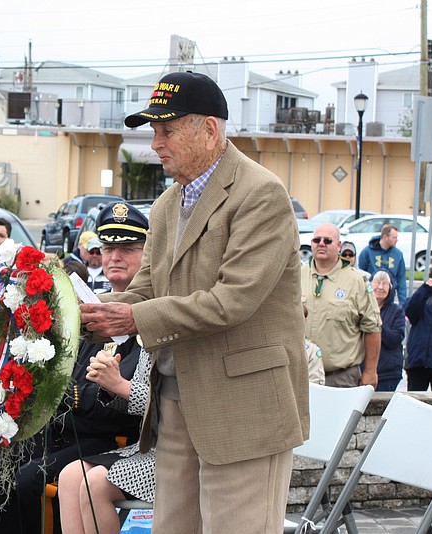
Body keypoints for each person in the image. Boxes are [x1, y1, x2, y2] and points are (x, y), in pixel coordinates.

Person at [79, 71, 309, 533]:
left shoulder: (261, 194)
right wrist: (71, 308)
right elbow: (144, 289)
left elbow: (232, 301)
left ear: (209, 129)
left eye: (167, 129)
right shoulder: (167, 205)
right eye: (153, 130)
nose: (155, 143)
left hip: (243, 409)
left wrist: (133, 315)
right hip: (176, 404)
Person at [0, 201, 149, 534]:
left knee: (31, 479)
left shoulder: (149, 313)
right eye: (108, 247)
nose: (114, 256)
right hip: (62, 426)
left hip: (110, 436)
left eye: (127, 248)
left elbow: (128, 403)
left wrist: (73, 394)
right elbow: (60, 363)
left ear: (148, 255)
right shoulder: (86, 303)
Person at [59, 346, 153, 534]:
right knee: (69, 477)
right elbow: (136, 406)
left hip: (178, 450)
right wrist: (109, 386)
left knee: (95, 483)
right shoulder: (149, 342)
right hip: (146, 446)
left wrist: (120, 384)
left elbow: (170, 405)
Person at [303, 223, 382, 388]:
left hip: (340, 378)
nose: (321, 243)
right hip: (302, 374)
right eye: (317, 240)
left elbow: (372, 329)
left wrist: (370, 371)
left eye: (328, 240)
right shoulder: (297, 275)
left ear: (338, 245)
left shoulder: (356, 281)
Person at [404, 258, 432, 391]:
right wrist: (425, 288)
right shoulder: (423, 295)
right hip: (417, 361)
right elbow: (410, 312)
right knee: (413, 403)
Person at [369, 270, 405, 392]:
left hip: (387, 373)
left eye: (385, 284)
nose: (380, 287)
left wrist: (376, 324)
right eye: (377, 282)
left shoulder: (397, 311)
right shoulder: (361, 307)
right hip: (362, 370)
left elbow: (395, 339)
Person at [358, 224, 407, 303]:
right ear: (385, 237)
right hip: (370, 297)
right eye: (394, 237)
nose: (396, 240)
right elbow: (361, 275)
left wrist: (403, 304)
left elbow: (401, 280)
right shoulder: (367, 252)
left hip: (389, 298)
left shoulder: (398, 254)